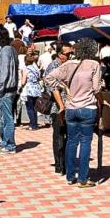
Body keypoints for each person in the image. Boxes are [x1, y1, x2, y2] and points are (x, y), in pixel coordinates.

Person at [44, 37, 102, 187]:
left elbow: (48, 78)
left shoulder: (69, 64)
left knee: (71, 142)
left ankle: (70, 176)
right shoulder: (94, 64)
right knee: (85, 143)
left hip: (71, 108)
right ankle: (83, 178)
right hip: (87, 107)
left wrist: (65, 87)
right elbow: (96, 89)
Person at [45, 43, 72, 175]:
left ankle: (66, 164)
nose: (70, 56)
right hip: (57, 107)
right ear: (60, 54)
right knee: (59, 136)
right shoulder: (53, 66)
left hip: (69, 106)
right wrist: (61, 105)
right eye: (67, 54)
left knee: (68, 136)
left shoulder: (68, 66)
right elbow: (50, 87)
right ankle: (59, 165)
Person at [0, 33, 21, 155]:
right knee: (4, 118)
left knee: (7, 118)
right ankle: (5, 142)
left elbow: (4, 71)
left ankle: (9, 145)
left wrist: (0, 89)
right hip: (11, 88)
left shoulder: (5, 51)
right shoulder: (13, 50)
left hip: (6, 89)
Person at [21, 49, 43, 130]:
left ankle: (32, 125)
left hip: (29, 89)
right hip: (36, 89)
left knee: (29, 108)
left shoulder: (25, 69)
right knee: (35, 107)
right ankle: (35, 124)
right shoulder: (36, 69)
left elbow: (23, 82)